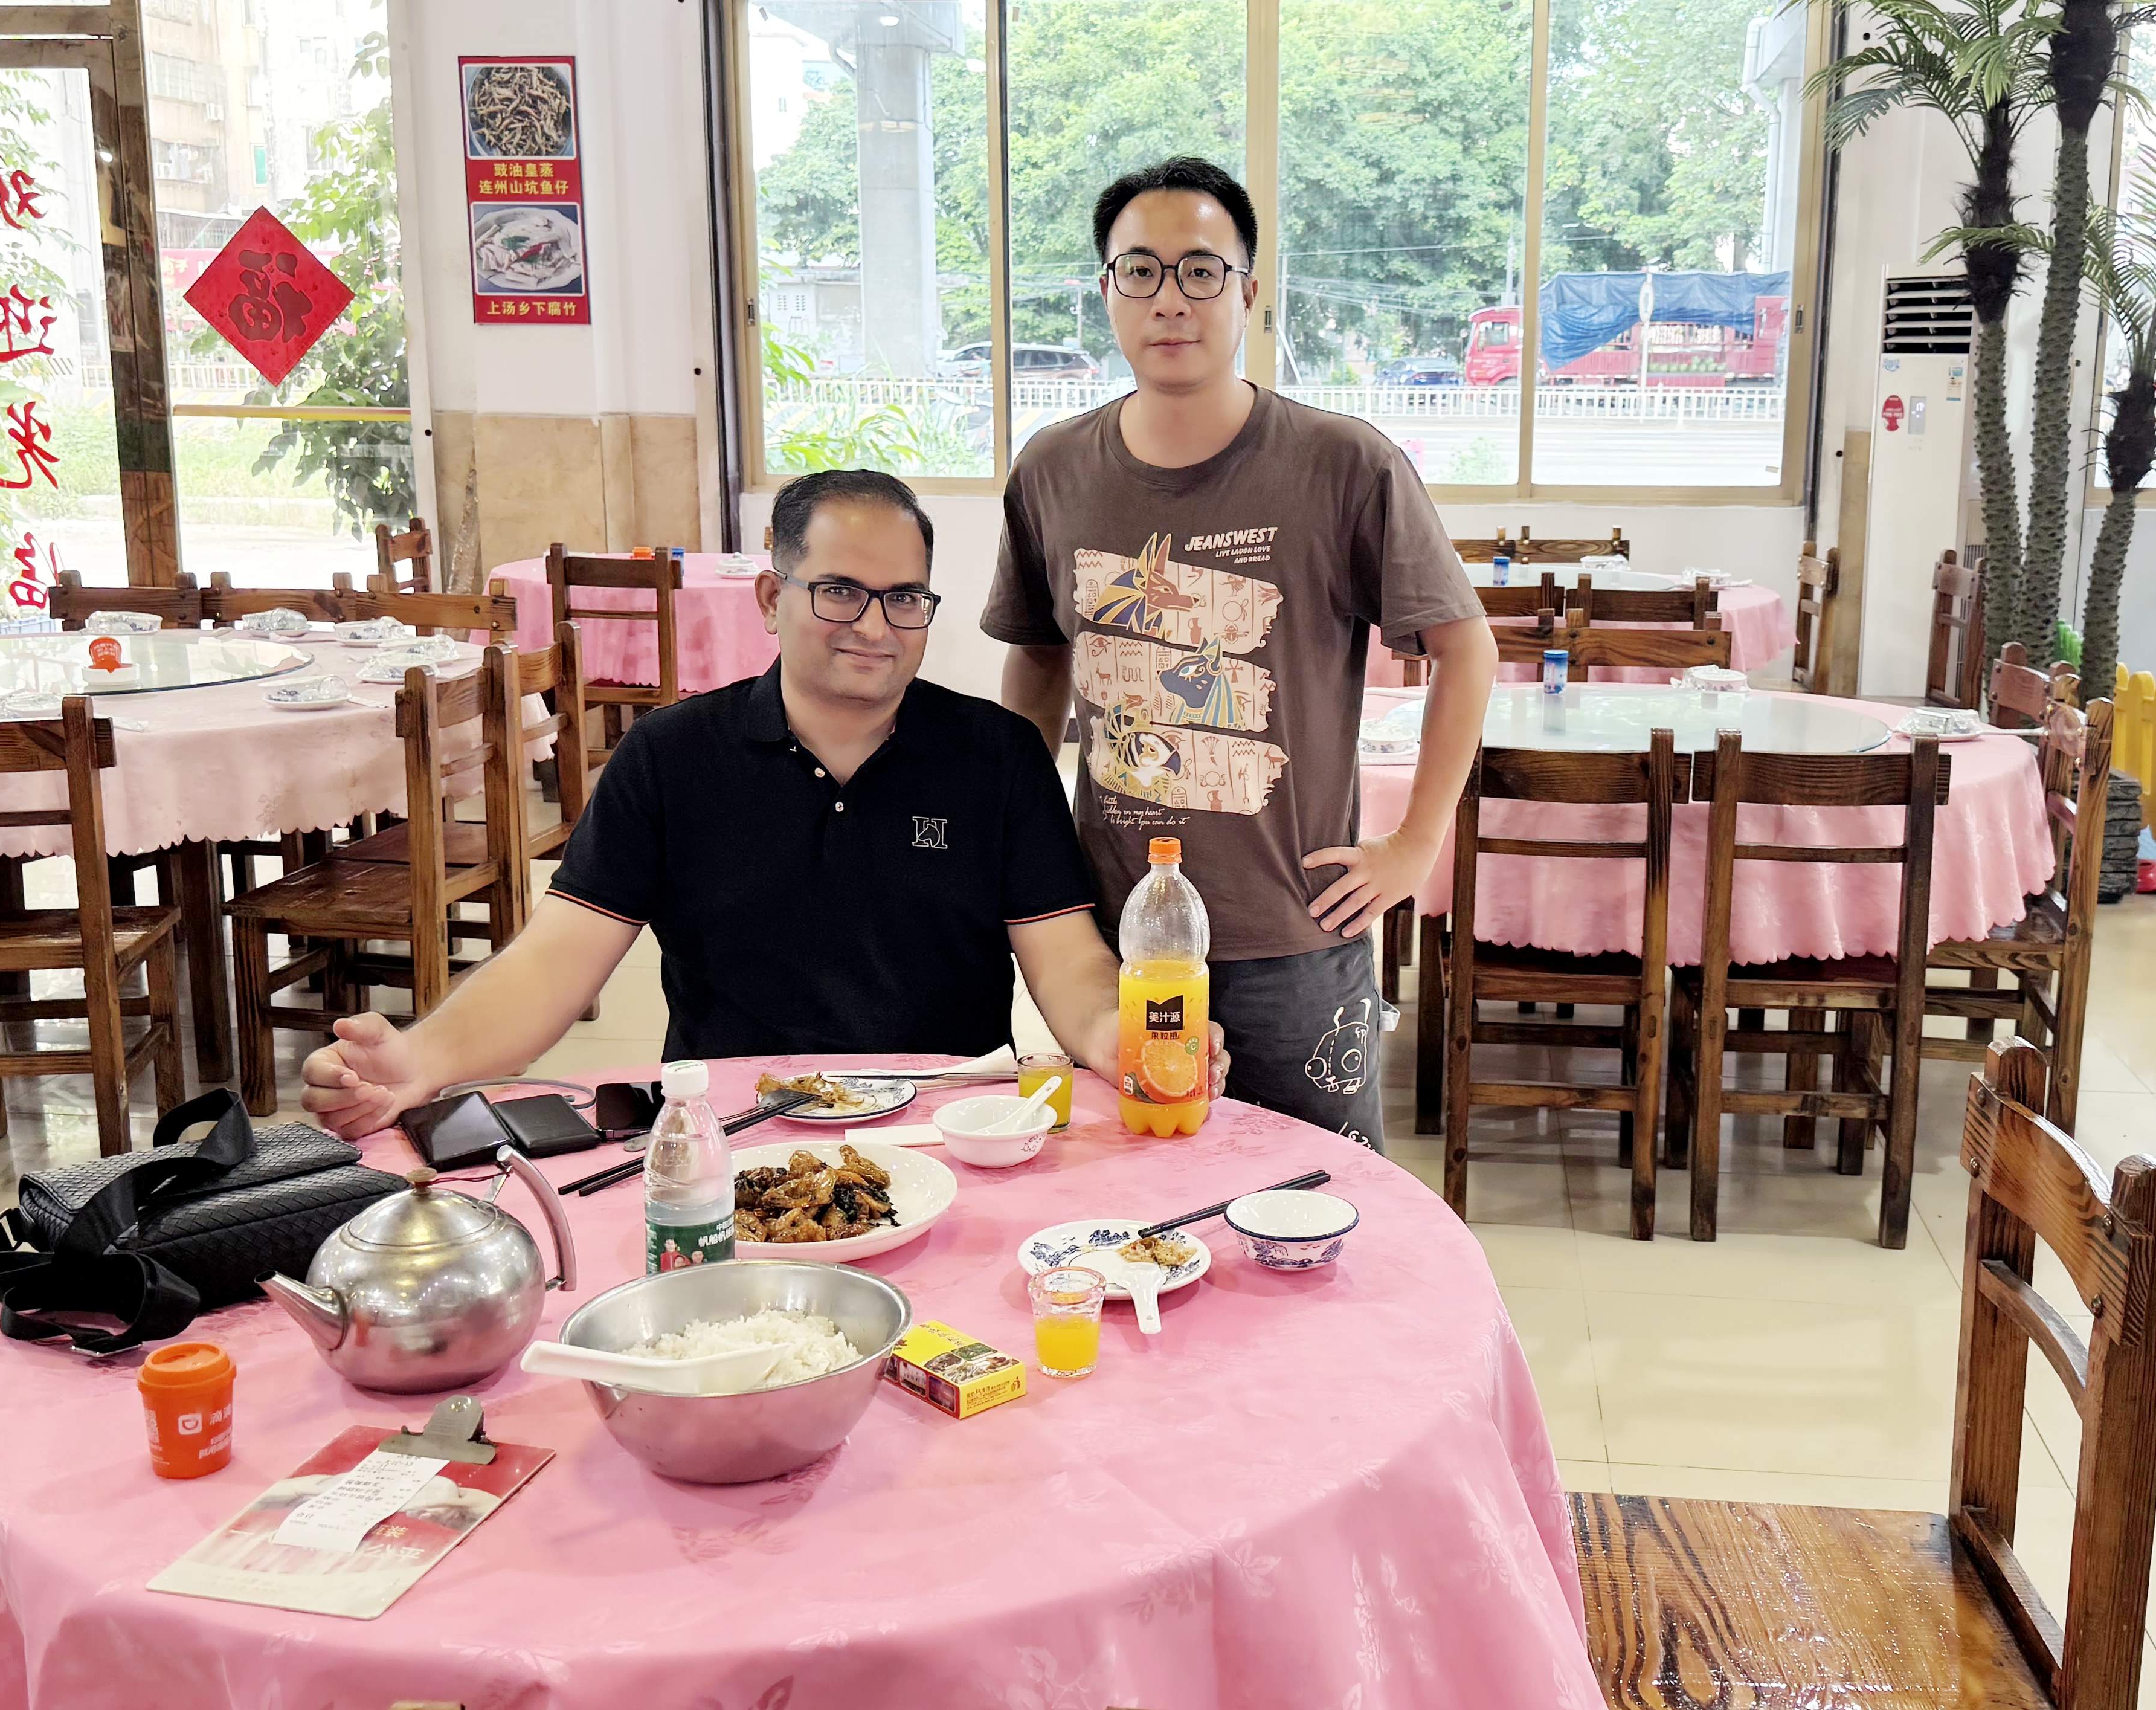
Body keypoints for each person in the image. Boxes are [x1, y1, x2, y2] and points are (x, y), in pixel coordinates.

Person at [301, 468, 1222, 1139]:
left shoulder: (998, 757)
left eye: (905, 599)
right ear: (772, 598)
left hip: (943, 1132)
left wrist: (1127, 1039)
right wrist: (416, 1062)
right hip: (730, 1134)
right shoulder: (669, 758)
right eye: (840, 593)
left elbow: (1068, 966)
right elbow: (554, 968)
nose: (875, 626)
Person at [984, 156, 1496, 1149]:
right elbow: (1040, 663)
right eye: (1140, 271)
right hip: (1112, 936)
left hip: (1295, 933)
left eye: (1201, 270)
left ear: (1249, 293)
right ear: (1106, 293)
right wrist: (1021, 835)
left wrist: (1417, 845)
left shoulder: (1343, 464)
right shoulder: (1051, 470)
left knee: (1322, 1214)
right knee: (1141, 1202)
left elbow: (1466, 649)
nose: (1170, 299)